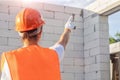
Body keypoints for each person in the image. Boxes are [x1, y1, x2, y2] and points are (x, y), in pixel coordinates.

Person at [0, 8, 75, 80]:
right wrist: (68, 29)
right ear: (40, 32)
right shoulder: (53, 55)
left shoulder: (9, 60)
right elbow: (63, 43)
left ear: (20, 33)